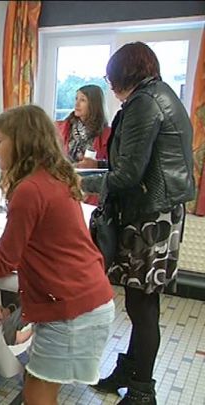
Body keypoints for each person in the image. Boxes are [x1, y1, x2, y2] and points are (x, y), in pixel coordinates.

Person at [0, 105, 115, 405]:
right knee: (36, 387)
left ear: (21, 142)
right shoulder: (52, 178)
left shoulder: (29, 190)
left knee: (38, 395)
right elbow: (30, 250)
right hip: (86, 299)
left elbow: (4, 261)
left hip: (71, 310)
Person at [81, 42, 195, 404]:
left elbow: (128, 173)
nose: (109, 82)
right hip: (157, 212)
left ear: (122, 73)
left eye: (109, 75)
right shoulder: (158, 95)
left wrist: (79, 182)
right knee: (140, 304)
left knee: (143, 307)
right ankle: (130, 371)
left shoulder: (145, 103)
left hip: (151, 218)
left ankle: (143, 391)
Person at [56, 84, 111, 205]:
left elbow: (114, 168)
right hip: (62, 189)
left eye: (82, 100)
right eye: (76, 99)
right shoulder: (60, 128)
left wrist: (96, 165)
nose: (76, 104)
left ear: (94, 104)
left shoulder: (108, 134)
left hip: (92, 195)